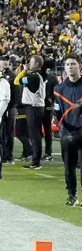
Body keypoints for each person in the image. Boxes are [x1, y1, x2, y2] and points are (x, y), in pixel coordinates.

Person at [54, 54, 82, 206]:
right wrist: (54, 116)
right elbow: (58, 109)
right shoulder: (59, 88)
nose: (70, 67)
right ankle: (72, 195)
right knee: (68, 167)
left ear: (79, 66)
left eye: (73, 64)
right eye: (68, 64)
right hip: (68, 131)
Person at [15, 55, 46, 170]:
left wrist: (24, 70)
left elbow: (17, 81)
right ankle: (35, 160)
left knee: (34, 135)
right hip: (35, 107)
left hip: (34, 107)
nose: (29, 63)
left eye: (31, 62)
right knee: (34, 134)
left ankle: (36, 161)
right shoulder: (35, 75)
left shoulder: (33, 76)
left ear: (37, 64)